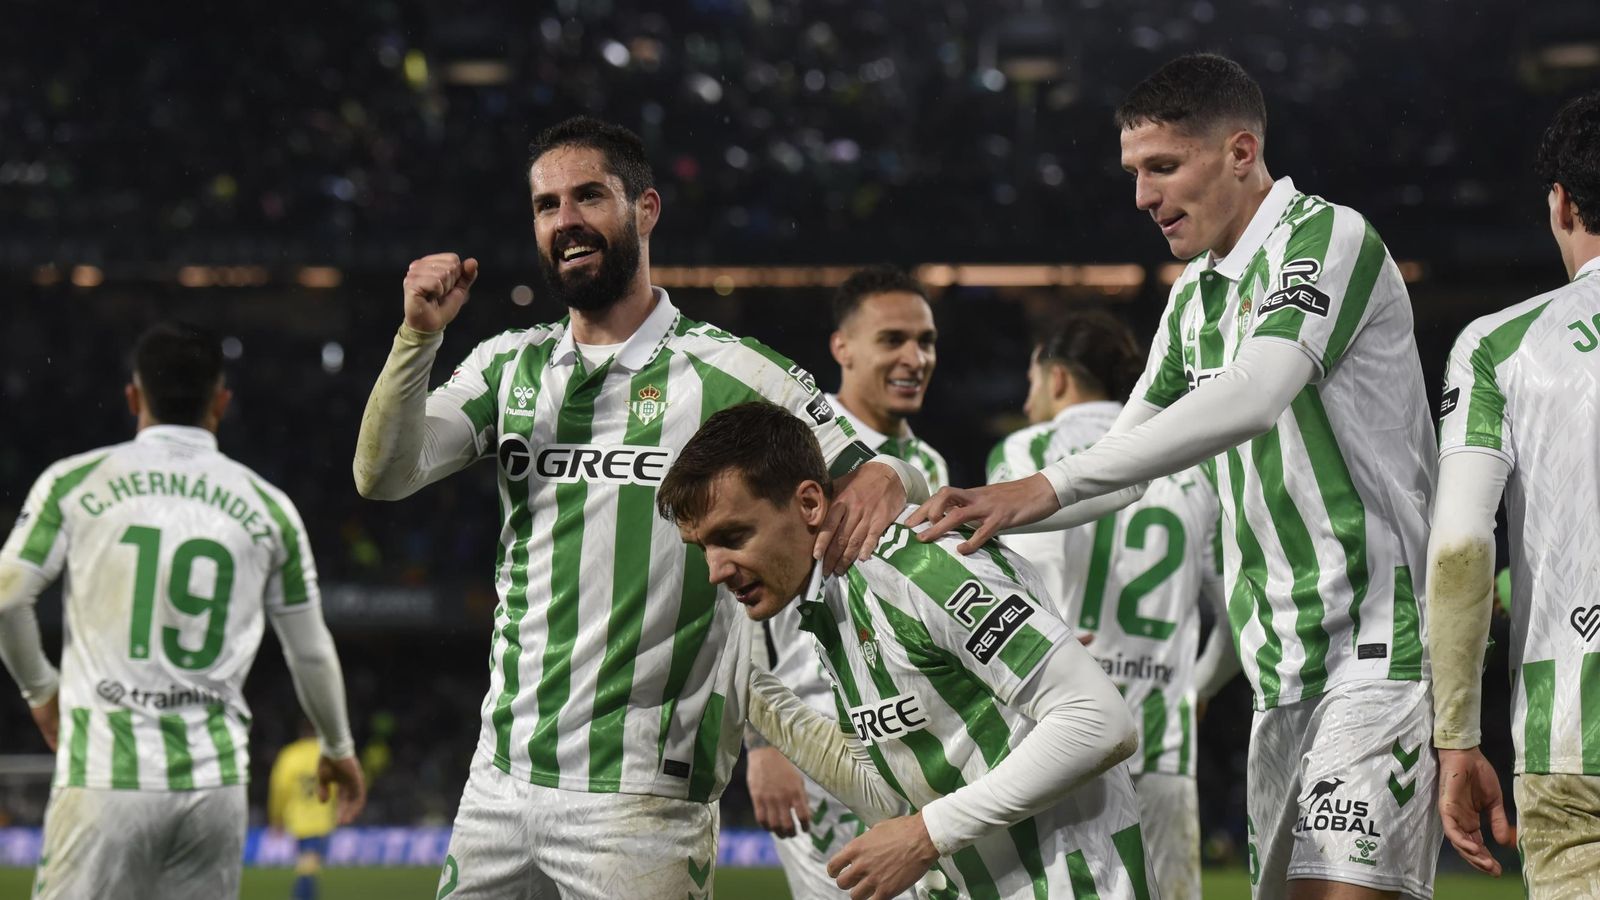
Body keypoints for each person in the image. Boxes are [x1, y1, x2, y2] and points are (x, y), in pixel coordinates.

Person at [351, 116, 923, 899]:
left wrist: (893, 476)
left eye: (590, 196)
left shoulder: (729, 373)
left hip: (642, 800)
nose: (567, 220)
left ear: (645, 210)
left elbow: (878, 472)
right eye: (548, 205)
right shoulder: (506, 369)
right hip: (500, 780)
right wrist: (417, 337)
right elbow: (382, 476)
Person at [912, 53, 1442, 899]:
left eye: (1163, 167)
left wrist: (1040, 486)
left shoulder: (1326, 237)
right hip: (1279, 667)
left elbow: (1257, 394)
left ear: (1240, 151)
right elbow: (1124, 475)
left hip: (1376, 645)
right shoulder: (1193, 297)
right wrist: (977, 512)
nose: (1142, 198)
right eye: (1133, 172)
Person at [658, 401, 1153, 900]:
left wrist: (925, 836)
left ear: (810, 504)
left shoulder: (920, 568)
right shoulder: (834, 605)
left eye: (733, 536)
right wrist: (744, 682)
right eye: (704, 548)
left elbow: (1099, 721)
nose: (716, 570)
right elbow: (890, 797)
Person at [0, 322, 365, 900]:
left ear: (132, 397)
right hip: (212, 787)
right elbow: (309, 648)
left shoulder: (73, 482)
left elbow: (6, 598)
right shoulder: (269, 508)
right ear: (221, 402)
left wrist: (41, 692)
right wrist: (338, 747)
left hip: (105, 777)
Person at [987, 312, 1239, 900]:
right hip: (1161, 743)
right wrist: (1197, 689)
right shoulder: (1187, 466)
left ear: (1056, 378)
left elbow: (1024, 573)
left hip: (1058, 735)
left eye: (1031, 384)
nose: (1027, 403)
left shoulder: (1029, 449)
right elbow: (1233, 613)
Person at [1428, 89, 1600, 897]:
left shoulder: (1500, 346)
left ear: (1561, 204)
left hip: (1572, 730)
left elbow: (1462, 544)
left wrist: (1455, 735)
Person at [749, 264, 948, 899]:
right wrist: (762, 741)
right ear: (843, 348)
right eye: (893, 340)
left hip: (908, 739)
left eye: (927, 341)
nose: (915, 357)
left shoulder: (928, 465)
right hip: (817, 739)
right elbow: (730, 591)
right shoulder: (794, 446)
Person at [270, 718, 345, 900]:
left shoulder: (290, 755)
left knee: (307, 866)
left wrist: (277, 818)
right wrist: (339, 810)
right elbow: (337, 787)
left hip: (297, 820)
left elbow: (279, 788)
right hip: (322, 820)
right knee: (308, 868)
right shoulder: (327, 755)